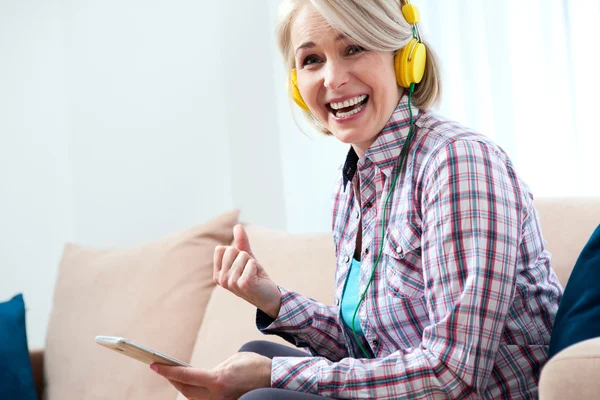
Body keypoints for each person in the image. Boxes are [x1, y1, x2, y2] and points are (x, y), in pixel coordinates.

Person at [151, 0, 563, 398]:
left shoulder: (456, 163)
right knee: (254, 357)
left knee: (266, 388)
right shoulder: (354, 183)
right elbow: (368, 350)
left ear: (404, 57)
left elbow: (450, 373)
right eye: (312, 60)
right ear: (297, 84)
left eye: (354, 48)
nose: (333, 78)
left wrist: (279, 375)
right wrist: (272, 300)